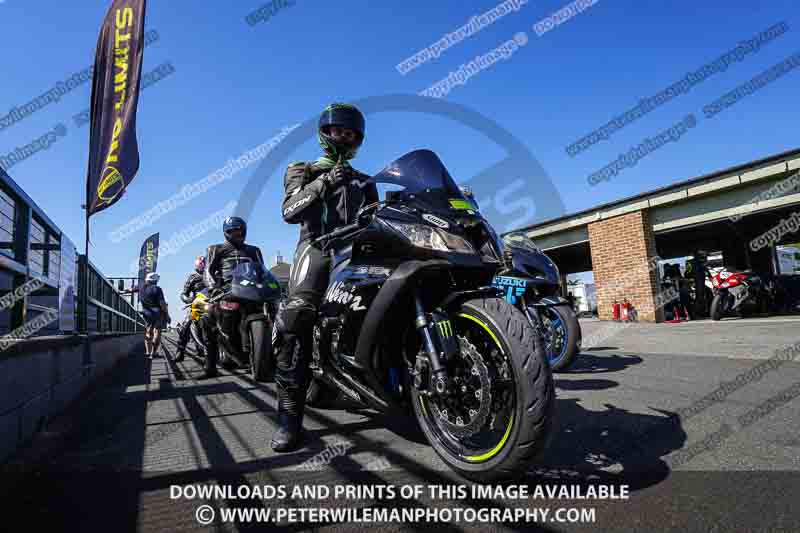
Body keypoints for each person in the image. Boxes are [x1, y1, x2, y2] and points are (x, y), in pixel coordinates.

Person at [271, 103, 378, 452]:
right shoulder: (303, 169)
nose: (344, 137)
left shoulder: (365, 180)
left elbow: (376, 217)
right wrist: (322, 184)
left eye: (351, 134)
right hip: (317, 248)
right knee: (296, 318)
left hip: (357, 251)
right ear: (325, 133)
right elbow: (288, 211)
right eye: (338, 131)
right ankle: (289, 420)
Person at [202, 216, 265, 379]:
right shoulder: (215, 249)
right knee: (207, 319)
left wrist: (268, 285)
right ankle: (210, 367)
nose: (237, 233)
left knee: (275, 312)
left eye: (239, 230)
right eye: (232, 231)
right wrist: (213, 288)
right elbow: (207, 271)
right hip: (226, 291)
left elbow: (262, 271)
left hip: (251, 291)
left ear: (244, 231)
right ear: (226, 233)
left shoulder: (254, 250)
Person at [175, 255, 208, 362]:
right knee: (187, 323)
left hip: (214, 301)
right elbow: (184, 293)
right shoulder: (192, 277)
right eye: (201, 264)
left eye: (204, 264)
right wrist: (189, 300)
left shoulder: (214, 275)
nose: (203, 266)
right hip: (198, 304)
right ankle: (180, 350)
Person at [141, 272, 170, 358]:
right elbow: (162, 303)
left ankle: (147, 352)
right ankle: (153, 353)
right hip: (157, 313)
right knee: (157, 331)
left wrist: (122, 291)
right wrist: (167, 315)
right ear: (155, 281)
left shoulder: (141, 288)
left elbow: (130, 290)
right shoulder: (157, 289)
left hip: (146, 313)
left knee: (148, 332)